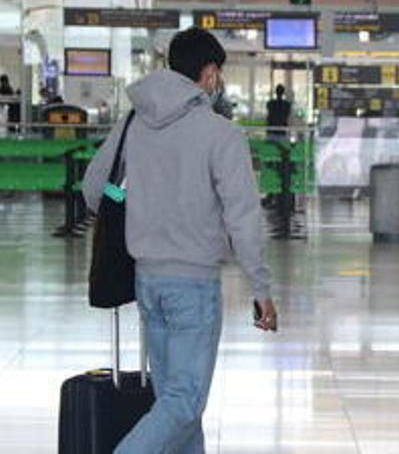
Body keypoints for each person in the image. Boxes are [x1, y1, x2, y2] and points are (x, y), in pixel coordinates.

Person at [82, 27, 277, 454]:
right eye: (218, 73)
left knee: (175, 401)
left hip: (147, 281)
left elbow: (94, 187)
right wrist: (260, 289)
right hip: (192, 284)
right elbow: (242, 218)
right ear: (208, 74)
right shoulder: (222, 133)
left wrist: (144, 213)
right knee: (184, 403)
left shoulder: (134, 122)